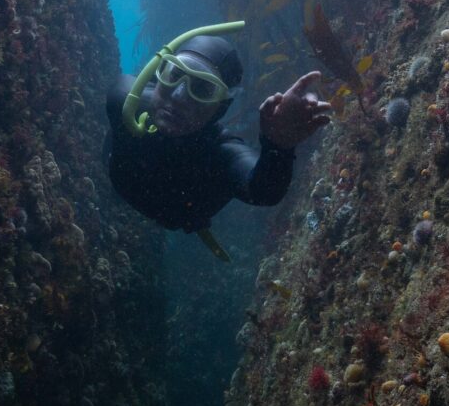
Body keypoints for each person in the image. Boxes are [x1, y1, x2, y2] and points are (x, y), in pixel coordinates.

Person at [104, 29, 331, 254]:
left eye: (202, 89)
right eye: (174, 75)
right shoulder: (123, 99)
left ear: (219, 109)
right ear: (158, 74)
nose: (178, 97)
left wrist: (278, 147)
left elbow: (264, 191)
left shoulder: (222, 152)